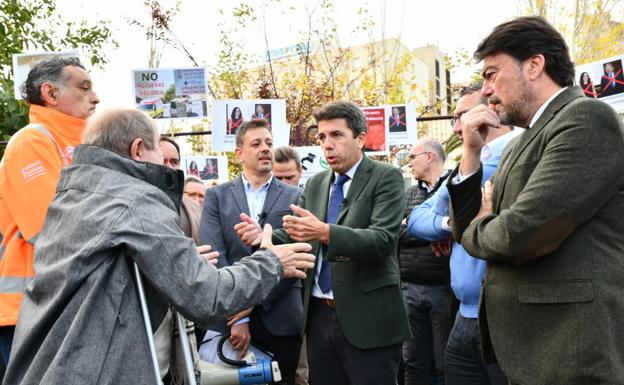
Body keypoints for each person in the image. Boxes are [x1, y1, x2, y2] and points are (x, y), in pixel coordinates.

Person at [3, 108, 315, 385]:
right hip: (99, 368)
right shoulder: (134, 198)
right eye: (158, 151)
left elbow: (102, 273)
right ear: (139, 149)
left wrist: (178, 263)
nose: (165, 165)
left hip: (50, 364)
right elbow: (206, 295)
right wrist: (270, 262)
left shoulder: (74, 194)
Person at [448, 16, 624, 384]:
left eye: (492, 74)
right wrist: (471, 153)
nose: (487, 91)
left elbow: (522, 235)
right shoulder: (523, 140)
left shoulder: (587, 119)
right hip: (533, 352)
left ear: (534, 64)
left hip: (570, 353)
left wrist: (482, 224)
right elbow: (462, 228)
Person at [239, 101, 411, 385]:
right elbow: (298, 233)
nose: (327, 145)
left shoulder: (386, 177)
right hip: (318, 317)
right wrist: (263, 236)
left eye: (336, 135)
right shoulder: (316, 183)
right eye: (321, 137)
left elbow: (381, 241)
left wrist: (325, 231)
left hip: (369, 319)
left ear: (361, 139)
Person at [409, 82, 520, 385]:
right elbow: (416, 219)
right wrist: (452, 225)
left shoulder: (519, 158)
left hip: (505, 318)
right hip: (463, 318)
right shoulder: (467, 168)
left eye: (462, 116)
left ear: (493, 110)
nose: (457, 128)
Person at [0, 57, 99, 375]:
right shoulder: (32, 141)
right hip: (28, 313)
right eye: (84, 87)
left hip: (56, 306)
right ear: (50, 94)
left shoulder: (77, 147)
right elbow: (51, 229)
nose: (95, 98)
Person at [199, 119, 303, 385]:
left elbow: (296, 256)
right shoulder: (217, 196)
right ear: (238, 154)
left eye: (269, 143)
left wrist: (247, 309)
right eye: (256, 144)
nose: (265, 149)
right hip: (229, 321)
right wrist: (236, 317)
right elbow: (216, 255)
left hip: (280, 314)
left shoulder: (297, 195)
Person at [399, 138, 451, 385]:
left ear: (430, 157)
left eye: (412, 157)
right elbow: (394, 234)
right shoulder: (407, 195)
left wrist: (414, 225)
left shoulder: (455, 187)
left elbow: (455, 229)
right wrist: (435, 229)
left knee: (445, 363)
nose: (409, 163)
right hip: (409, 290)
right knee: (413, 361)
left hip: (444, 290)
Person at [159, 136, 202, 243]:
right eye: (162, 160)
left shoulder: (195, 208)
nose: (169, 167)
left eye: (174, 162)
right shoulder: (135, 205)